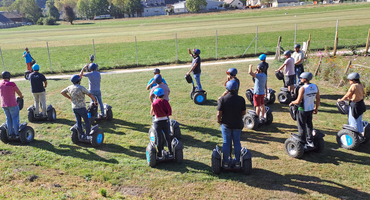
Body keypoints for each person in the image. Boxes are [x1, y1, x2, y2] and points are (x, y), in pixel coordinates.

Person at [217, 80, 246, 167]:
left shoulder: (222, 99)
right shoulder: (241, 99)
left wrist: (219, 121)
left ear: (227, 89)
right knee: (237, 142)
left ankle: (225, 162)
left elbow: (219, 114)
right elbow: (243, 113)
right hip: (237, 124)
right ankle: (237, 162)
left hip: (226, 125)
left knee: (226, 143)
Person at [289, 72, 320, 147]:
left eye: (301, 78)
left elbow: (298, 101)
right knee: (309, 125)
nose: (300, 79)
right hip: (310, 109)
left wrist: (292, 103)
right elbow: (318, 99)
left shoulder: (302, 88)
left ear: (305, 79)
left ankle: (302, 142)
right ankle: (310, 141)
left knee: (301, 126)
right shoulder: (315, 86)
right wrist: (316, 108)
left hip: (302, 109)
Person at [150, 88, 173, 160]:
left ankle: (160, 154)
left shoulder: (154, 103)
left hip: (157, 122)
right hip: (165, 121)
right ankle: (171, 152)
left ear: (156, 95)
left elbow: (151, 113)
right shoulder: (166, 101)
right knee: (167, 137)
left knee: (159, 138)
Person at [0, 71, 24, 138]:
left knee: (8, 119)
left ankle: (10, 134)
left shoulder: (0, 84)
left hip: (4, 105)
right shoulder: (12, 84)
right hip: (13, 104)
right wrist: (21, 96)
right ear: (9, 77)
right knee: (15, 118)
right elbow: (18, 92)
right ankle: (16, 134)